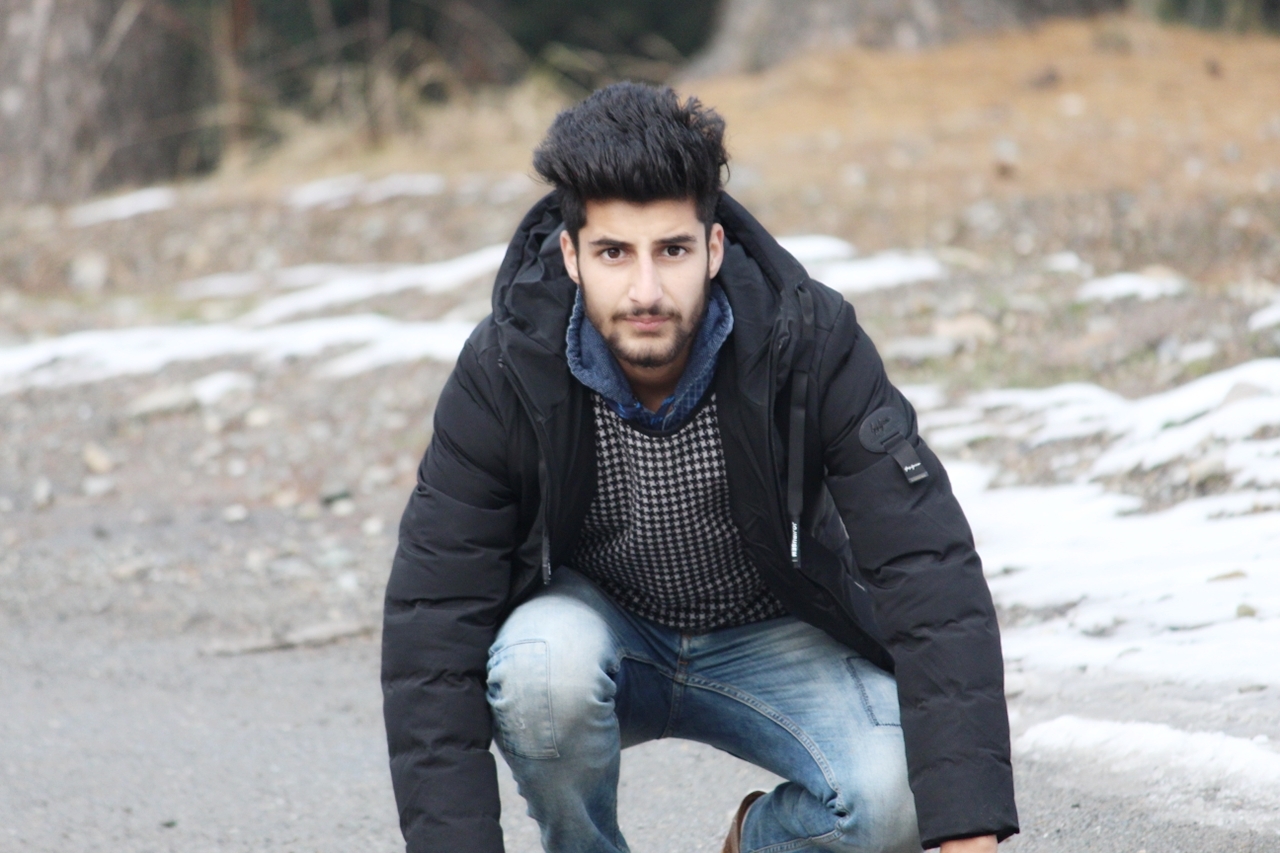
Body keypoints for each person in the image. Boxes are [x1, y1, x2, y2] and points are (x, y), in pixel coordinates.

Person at [381, 82, 1018, 853]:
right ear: (572, 256)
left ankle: (755, 842)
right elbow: (433, 622)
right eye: (614, 252)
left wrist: (968, 830)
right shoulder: (505, 368)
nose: (646, 291)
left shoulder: (807, 339)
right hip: (598, 635)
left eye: (673, 250)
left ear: (713, 248)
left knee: (899, 801)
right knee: (538, 670)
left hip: (771, 633)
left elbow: (925, 562)